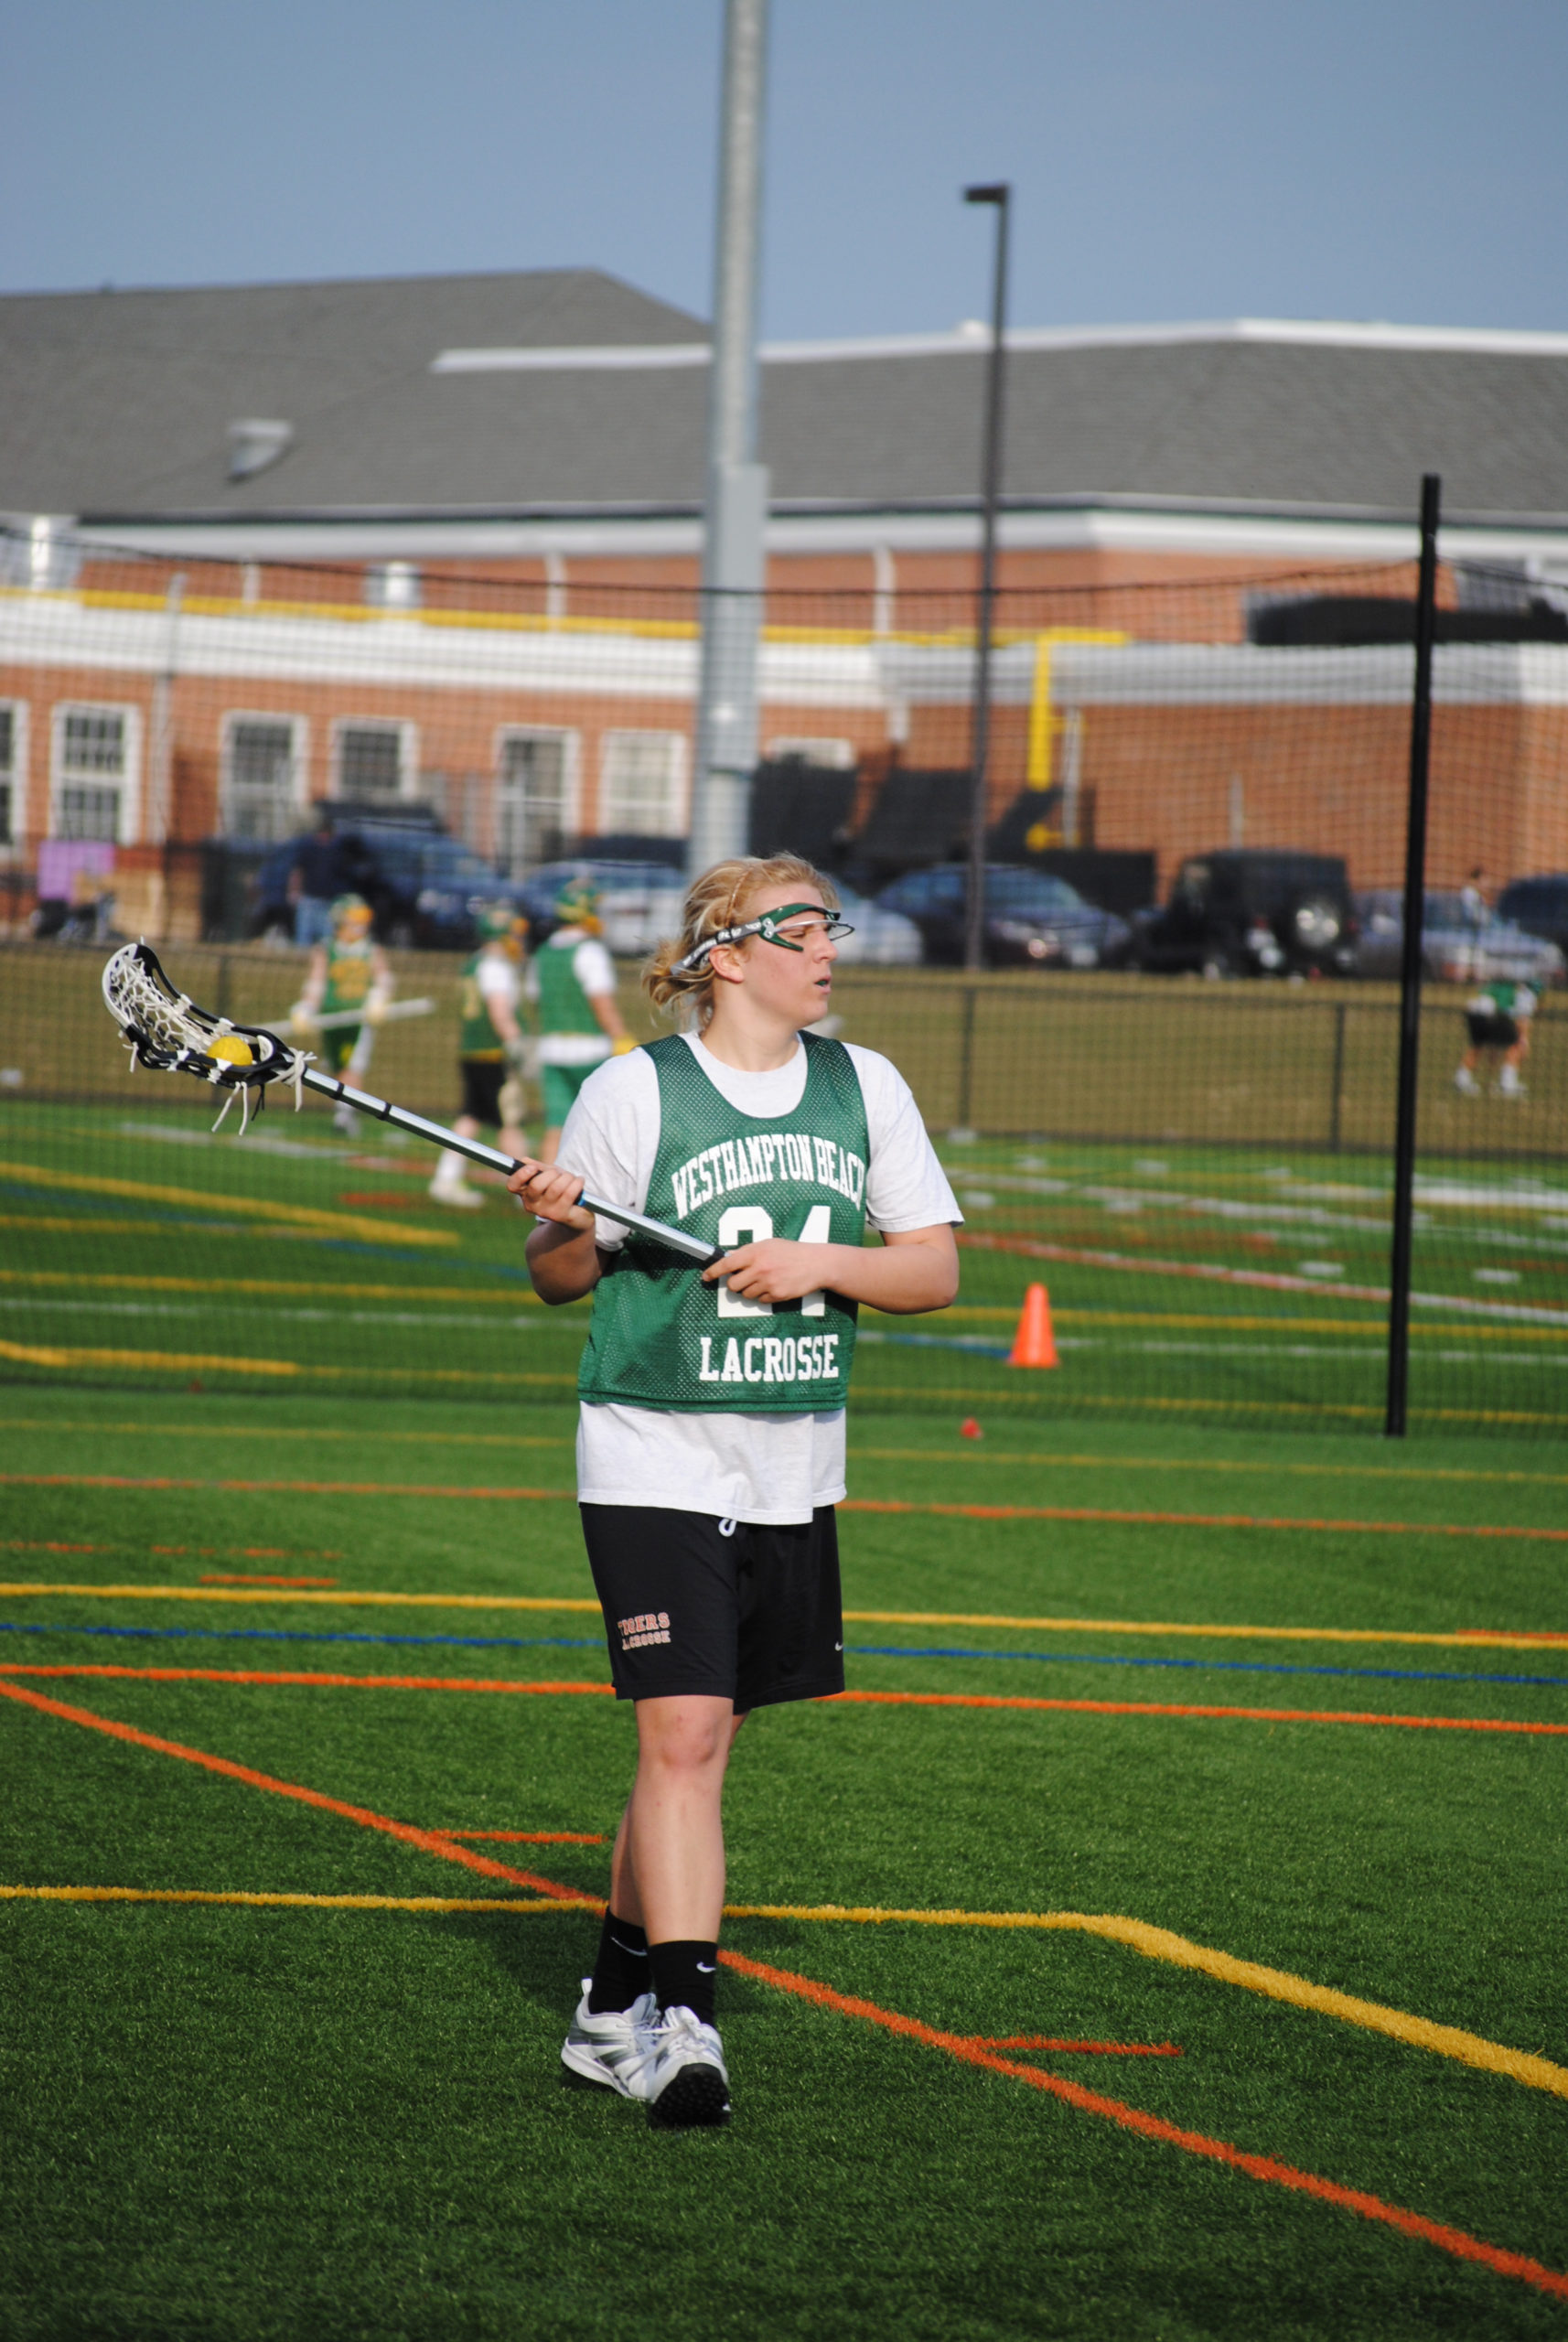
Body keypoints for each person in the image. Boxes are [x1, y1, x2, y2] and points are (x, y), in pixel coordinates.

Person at [506, 854, 961, 2129]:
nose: (830, 948)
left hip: (792, 1459)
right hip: (652, 1448)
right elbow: (556, 1276)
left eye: (831, 927)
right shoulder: (633, 1092)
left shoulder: (865, 1086)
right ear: (726, 954)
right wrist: (557, 1221)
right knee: (684, 1735)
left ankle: (606, 2006)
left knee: (696, 1748)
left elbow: (928, 1272)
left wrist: (812, 1260)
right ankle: (682, 2025)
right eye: (802, 929)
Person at [429, 902, 532, 1207]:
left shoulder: (475, 963)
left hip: (473, 1051)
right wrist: (516, 1042)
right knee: (510, 1121)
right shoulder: (495, 967)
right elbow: (499, 1011)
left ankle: (445, 1177)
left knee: (471, 1116)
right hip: (491, 1053)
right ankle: (526, 1188)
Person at [526, 877, 632, 1163]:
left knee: (556, 1126)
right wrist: (621, 1039)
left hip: (551, 1049)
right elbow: (602, 1004)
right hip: (590, 1051)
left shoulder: (543, 953)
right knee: (601, 1126)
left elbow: (536, 1000)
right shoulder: (590, 951)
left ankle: (542, 1199)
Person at [291, 894, 391, 1133]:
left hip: (358, 1019)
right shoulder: (327, 949)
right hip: (331, 1017)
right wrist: (306, 1008)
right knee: (336, 1066)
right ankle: (344, 1110)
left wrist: (378, 999)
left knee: (353, 1067)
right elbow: (316, 983)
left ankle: (345, 1115)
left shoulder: (371, 950)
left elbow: (383, 979)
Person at [1455, 976, 1537, 1098]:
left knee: (1477, 1045)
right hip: (1493, 1014)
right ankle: (1507, 1084)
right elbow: (1522, 1020)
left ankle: (1461, 1079)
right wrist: (1524, 1040)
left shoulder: (1499, 984)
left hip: (1473, 1011)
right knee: (1515, 1045)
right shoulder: (1527, 994)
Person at [288, 810, 349, 949]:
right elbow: (297, 872)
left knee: (327, 940)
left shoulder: (336, 851)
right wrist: (294, 892)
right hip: (309, 900)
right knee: (303, 939)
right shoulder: (308, 847)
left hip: (328, 902)